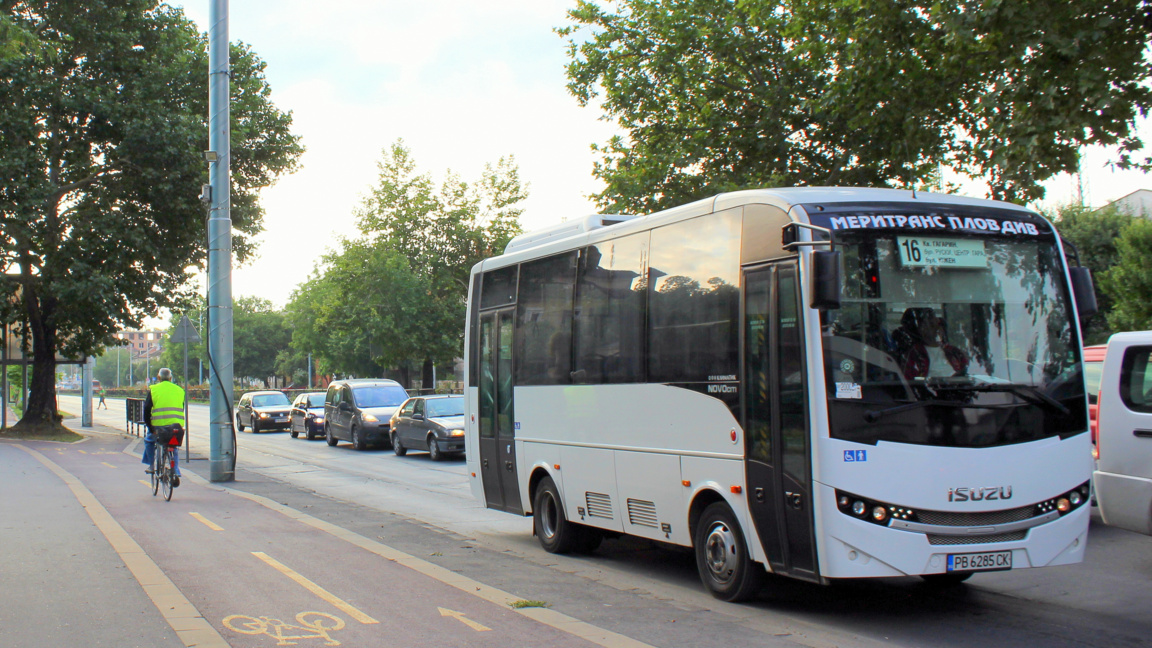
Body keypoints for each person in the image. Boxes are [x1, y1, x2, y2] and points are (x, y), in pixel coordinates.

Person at [892, 307, 968, 379]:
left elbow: (967, 374)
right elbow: (912, 384)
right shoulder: (913, 355)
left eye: (937, 323)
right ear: (918, 329)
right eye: (930, 324)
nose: (937, 326)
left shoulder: (954, 352)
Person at [141, 368, 184, 486]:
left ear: (158, 378)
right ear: (171, 378)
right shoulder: (180, 390)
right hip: (176, 427)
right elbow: (181, 408)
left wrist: (150, 428)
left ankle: (152, 465)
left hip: (159, 428)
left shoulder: (154, 389)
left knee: (149, 441)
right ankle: (175, 471)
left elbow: (146, 410)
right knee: (173, 446)